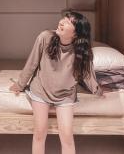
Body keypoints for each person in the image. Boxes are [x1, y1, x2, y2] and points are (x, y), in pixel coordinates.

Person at [10, 11, 103, 154]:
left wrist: (99, 91)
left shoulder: (81, 51)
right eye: (63, 19)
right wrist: (20, 84)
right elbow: (32, 63)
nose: (62, 22)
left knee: (67, 137)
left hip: (65, 95)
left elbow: (87, 74)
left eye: (68, 22)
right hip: (40, 90)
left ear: (76, 34)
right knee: (40, 132)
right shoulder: (45, 37)